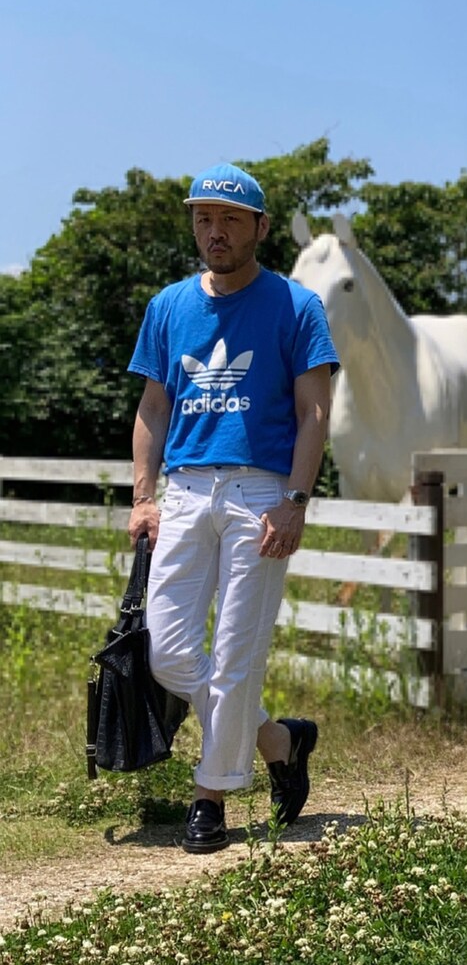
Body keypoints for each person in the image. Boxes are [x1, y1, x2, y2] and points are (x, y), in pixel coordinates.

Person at [127, 162, 339, 854]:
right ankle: (278, 740)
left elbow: (314, 413)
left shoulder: (297, 306)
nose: (214, 232)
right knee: (166, 650)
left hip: (261, 494)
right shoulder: (168, 307)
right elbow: (153, 407)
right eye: (203, 219)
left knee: (236, 655)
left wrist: (296, 501)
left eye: (229, 220)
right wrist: (143, 495)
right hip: (185, 491)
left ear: (261, 227)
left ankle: (210, 796)